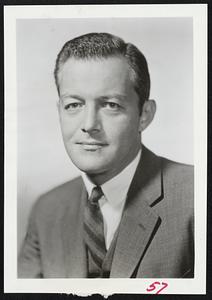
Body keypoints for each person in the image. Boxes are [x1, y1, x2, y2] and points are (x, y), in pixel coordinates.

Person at [18, 32, 194, 278]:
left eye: (111, 105)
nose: (89, 124)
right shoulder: (47, 210)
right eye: (74, 105)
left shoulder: (196, 197)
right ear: (59, 111)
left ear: (144, 114)